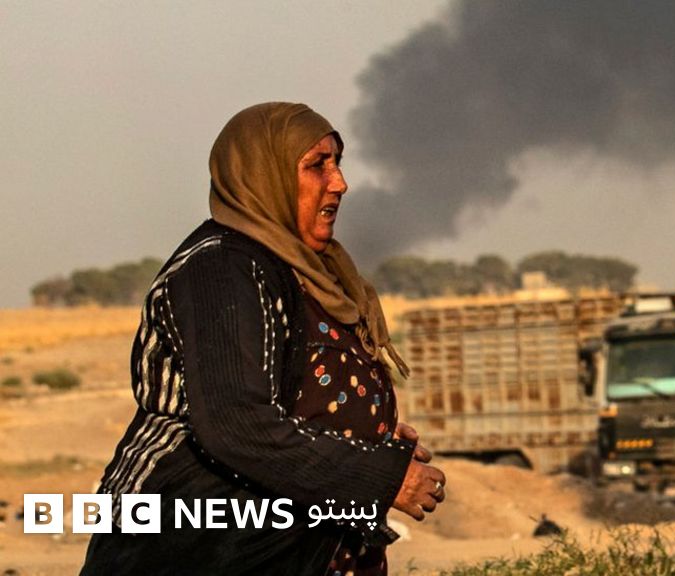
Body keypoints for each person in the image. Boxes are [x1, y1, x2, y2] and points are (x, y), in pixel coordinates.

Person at [80, 102, 445, 575]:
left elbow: (291, 388)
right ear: (263, 176)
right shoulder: (221, 269)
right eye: (317, 165)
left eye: (337, 163)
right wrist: (376, 476)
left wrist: (362, 433)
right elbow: (237, 423)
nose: (339, 183)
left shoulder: (305, 271)